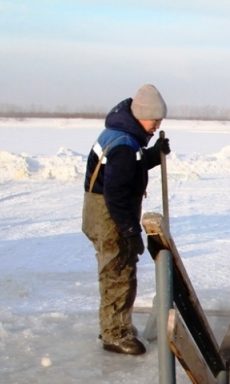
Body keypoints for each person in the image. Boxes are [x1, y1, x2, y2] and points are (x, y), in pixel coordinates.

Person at [82, 84, 171, 355]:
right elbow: (116, 193)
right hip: (111, 216)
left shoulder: (124, 134)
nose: (157, 125)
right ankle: (114, 334)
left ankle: (115, 323)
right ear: (141, 114)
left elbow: (130, 168)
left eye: (160, 121)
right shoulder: (123, 143)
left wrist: (152, 155)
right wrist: (131, 231)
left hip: (107, 214)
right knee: (118, 272)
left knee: (117, 270)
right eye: (154, 119)